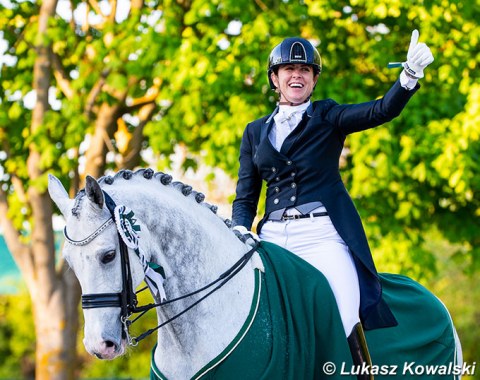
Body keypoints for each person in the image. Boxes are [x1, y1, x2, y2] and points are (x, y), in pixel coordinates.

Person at [232, 30, 434, 376]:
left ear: (313, 80)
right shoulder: (254, 131)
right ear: (275, 79)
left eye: (305, 70)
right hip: (273, 239)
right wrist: (238, 228)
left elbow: (380, 111)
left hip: (322, 234)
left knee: (343, 310)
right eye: (289, 70)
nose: (297, 75)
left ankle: (360, 374)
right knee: (246, 311)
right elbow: (247, 194)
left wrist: (408, 78)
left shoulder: (327, 116)